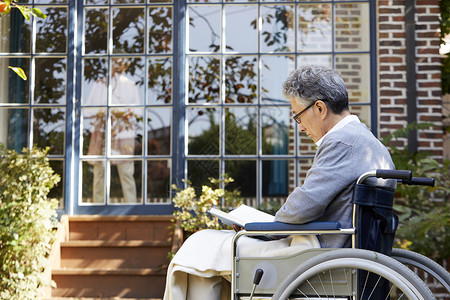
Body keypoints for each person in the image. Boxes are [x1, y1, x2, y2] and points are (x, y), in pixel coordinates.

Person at [163, 65, 396, 300]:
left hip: (316, 254)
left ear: (320, 108)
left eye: (298, 116)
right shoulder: (371, 144)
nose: (301, 126)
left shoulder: (342, 142)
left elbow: (305, 204)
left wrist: (263, 230)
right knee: (207, 247)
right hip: (337, 249)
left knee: (199, 246)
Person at [86, 58, 141, 203]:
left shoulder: (130, 85)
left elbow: (138, 110)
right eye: (115, 62)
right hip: (103, 132)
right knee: (100, 173)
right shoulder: (100, 84)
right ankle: (98, 207)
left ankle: (131, 208)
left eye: (120, 63)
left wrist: (124, 112)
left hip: (123, 134)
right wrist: (103, 111)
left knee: (126, 173)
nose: (117, 66)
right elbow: (87, 110)